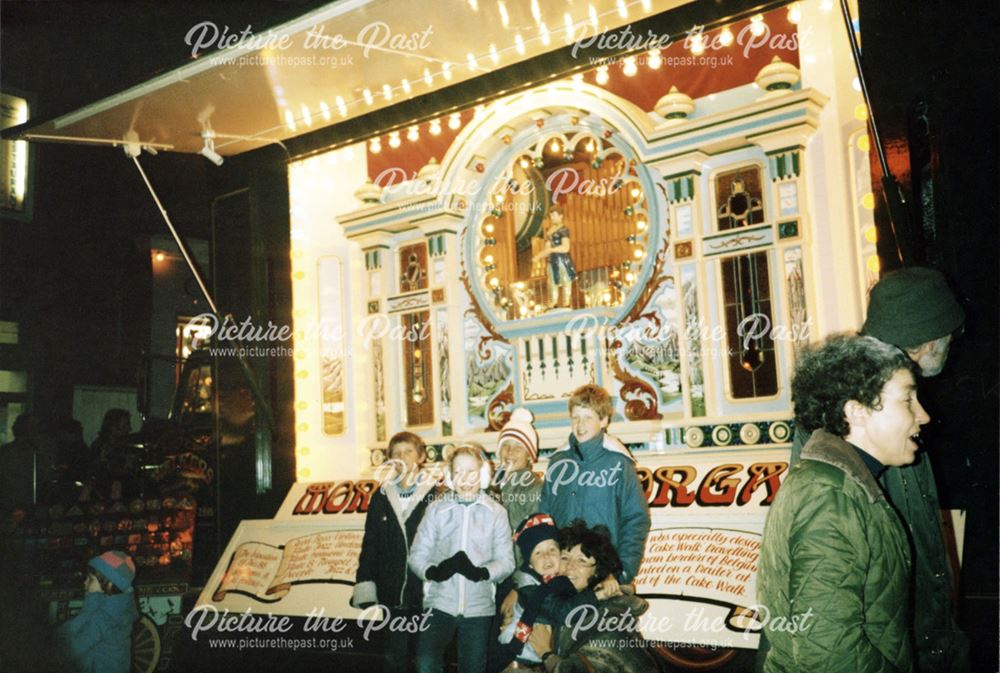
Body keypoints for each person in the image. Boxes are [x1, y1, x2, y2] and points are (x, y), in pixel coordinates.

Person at [786, 267, 969, 673]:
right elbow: (829, 626)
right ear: (930, 342)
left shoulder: (886, 403)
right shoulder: (860, 410)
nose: (923, 417)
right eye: (949, 339)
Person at [757, 335, 928, 672]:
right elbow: (829, 653)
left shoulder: (842, 485)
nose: (923, 415)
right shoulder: (830, 498)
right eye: (908, 400)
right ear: (857, 411)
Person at [409, 443, 515, 673]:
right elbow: (417, 555)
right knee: (425, 663)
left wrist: (482, 572)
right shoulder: (436, 510)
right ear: (449, 476)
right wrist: (433, 571)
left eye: (472, 472)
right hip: (439, 605)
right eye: (458, 472)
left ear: (484, 474)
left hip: (478, 609)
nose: (465, 479)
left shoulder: (496, 513)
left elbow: (507, 562)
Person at [538, 385, 650, 588]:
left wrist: (621, 572)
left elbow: (636, 520)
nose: (580, 424)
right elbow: (544, 517)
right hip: (562, 573)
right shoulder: (557, 462)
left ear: (604, 420)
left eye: (588, 417)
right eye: (575, 417)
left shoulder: (619, 464)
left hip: (603, 573)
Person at [352, 431, 437, 673]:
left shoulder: (436, 494)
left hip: (426, 592)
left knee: (426, 659)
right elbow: (370, 544)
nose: (402, 458)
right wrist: (365, 585)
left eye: (408, 451)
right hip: (392, 592)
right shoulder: (380, 497)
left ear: (420, 456)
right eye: (396, 453)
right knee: (393, 658)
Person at [526, 520, 660, 673]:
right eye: (564, 558)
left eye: (581, 560)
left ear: (597, 571)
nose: (570, 567)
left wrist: (546, 653)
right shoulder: (561, 605)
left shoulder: (609, 618)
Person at [493, 513, 602, 672]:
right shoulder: (532, 587)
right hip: (518, 660)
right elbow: (562, 612)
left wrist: (612, 581)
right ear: (530, 564)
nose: (547, 556)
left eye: (552, 550)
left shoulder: (554, 581)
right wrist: (597, 595)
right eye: (538, 553)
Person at [55, 550, 140, 673]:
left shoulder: (104, 617)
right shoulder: (115, 607)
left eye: (90, 579)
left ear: (109, 584)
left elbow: (72, 650)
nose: (85, 582)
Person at [495, 407, 543, 567]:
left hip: (517, 570)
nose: (509, 452)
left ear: (529, 455)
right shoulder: (490, 485)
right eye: (505, 445)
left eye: (518, 447)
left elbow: (537, 542)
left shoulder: (534, 488)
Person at [532, 207, 577, 309]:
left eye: (554, 215)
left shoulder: (563, 229)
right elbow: (547, 249)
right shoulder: (549, 232)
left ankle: (566, 302)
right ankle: (553, 303)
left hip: (562, 259)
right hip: (552, 260)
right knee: (551, 282)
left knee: (565, 280)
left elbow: (566, 247)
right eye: (551, 215)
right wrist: (538, 257)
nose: (552, 217)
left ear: (561, 216)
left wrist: (552, 250)